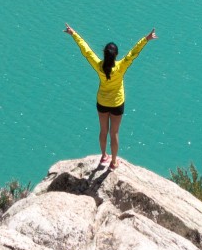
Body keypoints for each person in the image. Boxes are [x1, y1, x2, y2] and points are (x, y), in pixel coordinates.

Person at [64, 23, 156, 171]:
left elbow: (86, 51)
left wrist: (74, 34)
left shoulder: (98, 65)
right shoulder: (121, 66)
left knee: (103, 131)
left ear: (104, 54)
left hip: (102, 102)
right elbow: (133, 53)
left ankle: (103, 155)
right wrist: (146, 39)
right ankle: (113, 162)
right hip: (117, 104)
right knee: (114, 133)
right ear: (116, 55)